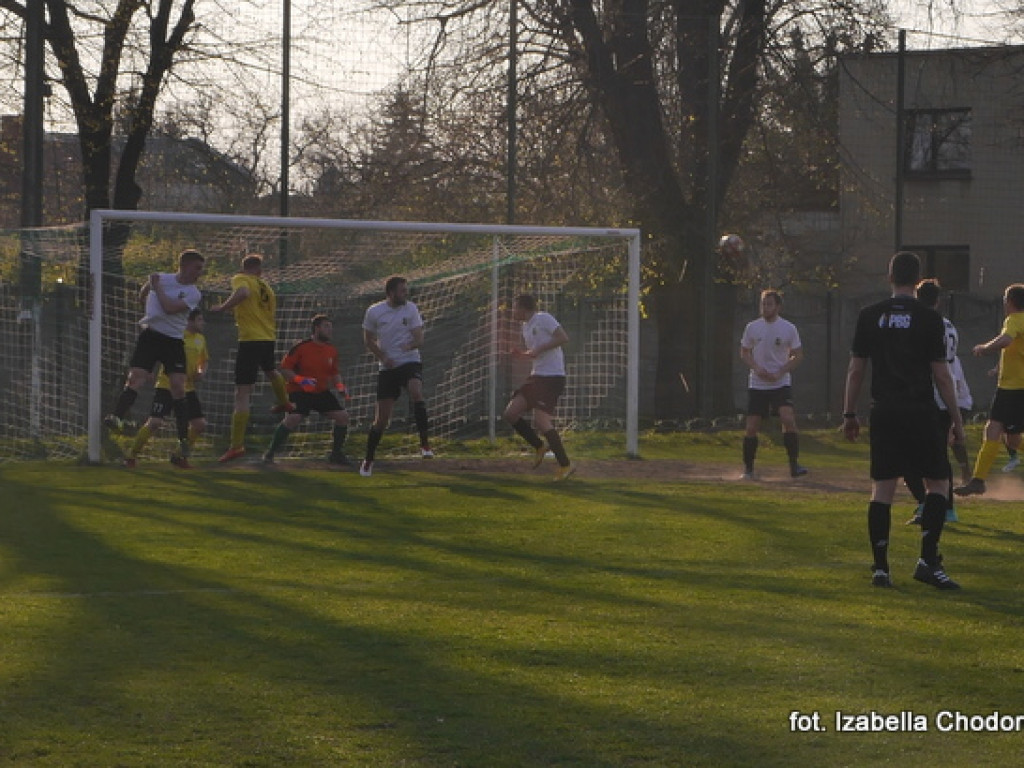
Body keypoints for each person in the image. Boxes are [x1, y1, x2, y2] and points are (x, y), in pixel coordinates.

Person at [843, 251, 964, 590]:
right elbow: (942, 376)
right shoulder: (929, 318)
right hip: (920, 411)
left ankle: (881, 568)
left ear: (889, 276)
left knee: (882, 489)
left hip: (884, 411)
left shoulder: (870, 315)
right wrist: (956, 420)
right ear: (917, 278)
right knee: (937, 484)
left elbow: (856, 370)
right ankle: (927, 561)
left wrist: (849, 414)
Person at [104, 249, 205, 466]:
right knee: (135, 377)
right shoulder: (163, 278)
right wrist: (144, 296)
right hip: (150, 336)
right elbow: (145, 289)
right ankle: (118, 417)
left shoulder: (194, 293)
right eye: (197, 268)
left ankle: (183, 440)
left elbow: (169, 309)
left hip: (173, 340)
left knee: (178, 386)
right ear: (185, 265)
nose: (199, 273)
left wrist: (156, 288)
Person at [210, 254, 292, 462]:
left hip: (250, 340)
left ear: (244, 268)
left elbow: (243, 293)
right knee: (271, 370)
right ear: (260, 270)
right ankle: (284, 402)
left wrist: (223, 307)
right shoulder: (267, 287)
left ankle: (236, 445)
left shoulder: (241, 279)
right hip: (268, 337)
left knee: (242, 392)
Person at [903, 279, 972, 524]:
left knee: (917, 455)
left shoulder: (921, 324)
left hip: (932, 395)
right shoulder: (947, 324)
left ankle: (933, 505)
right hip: (947, 393)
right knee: (933, 455)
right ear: (938, 301)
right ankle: (937, 506)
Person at [359, 275, 432, 477]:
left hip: (409, 361)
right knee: (381, 420)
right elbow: (368, 340)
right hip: (388, 367)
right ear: (391, 293)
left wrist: (409, 345)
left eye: (406, 290)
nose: (405, 293)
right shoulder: (374, 311)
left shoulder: (411, 308)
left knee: (416, 391)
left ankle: (425, 444)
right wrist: (383, 357)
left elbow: (420, 338)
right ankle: (368, 460)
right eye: (402, 290)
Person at [955, 283, 1024, 496]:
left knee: (1003, 435)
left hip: (1015, 390)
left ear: (1010, 301)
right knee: (1000, 434)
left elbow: (1005, 341)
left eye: (1005, 299)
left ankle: (978, 480)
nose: (1004, 303)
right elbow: (1016, 351)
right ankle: (978, 480)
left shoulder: (1014, 319)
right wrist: (998, 368)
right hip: (1009, 388)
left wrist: (984, 348)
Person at [502, 294, 575, 481]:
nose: (513, 311)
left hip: (552, 377)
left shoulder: (543, 318)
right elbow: (536, 353)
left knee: (542, 422)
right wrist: (523, 355)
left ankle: (565, 465)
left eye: (515, 307)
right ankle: (540, 446)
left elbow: (563, 337)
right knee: (511, 413)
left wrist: (538, 350)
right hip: (537, 376)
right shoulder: (525, 327)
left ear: (524, 308)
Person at [124, 309, 209, 469]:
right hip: (166, 386)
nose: (203, 323)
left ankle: (179, 457)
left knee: (199, 425)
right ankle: (131, 456)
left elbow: (203, 360)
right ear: (189, 321)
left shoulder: (200, 340)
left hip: (188, 389)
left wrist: (201, 371)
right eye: (199, 320)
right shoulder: (175, 336)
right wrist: (148, 369)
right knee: (155, 422)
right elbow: (158, 353)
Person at [262, 314, 350, 465]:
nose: (330, 330)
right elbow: (284, 369)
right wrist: (301, 380)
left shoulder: (331, 351)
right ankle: (270, 452)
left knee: (343, 417)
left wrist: (341, 387)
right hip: (299, 391)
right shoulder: (301, 347)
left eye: (331, 327)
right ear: (316, 328)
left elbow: (334, 372)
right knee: (293, 418)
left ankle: (336, 454)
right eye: (326, 326)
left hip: (320, 392)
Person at [738, 289, 807, 480]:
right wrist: (756, 368)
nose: (765, 307)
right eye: (763, 304)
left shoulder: (788, 328)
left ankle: (794, 466)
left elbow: (798, 355)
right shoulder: (752, 327)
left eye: (769, 304)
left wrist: (780, 371)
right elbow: (744, 352)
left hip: (780, 383)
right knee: (752, 426)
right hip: (758, 384)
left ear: (778, 306)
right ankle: (749, 469)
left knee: (788, 419)